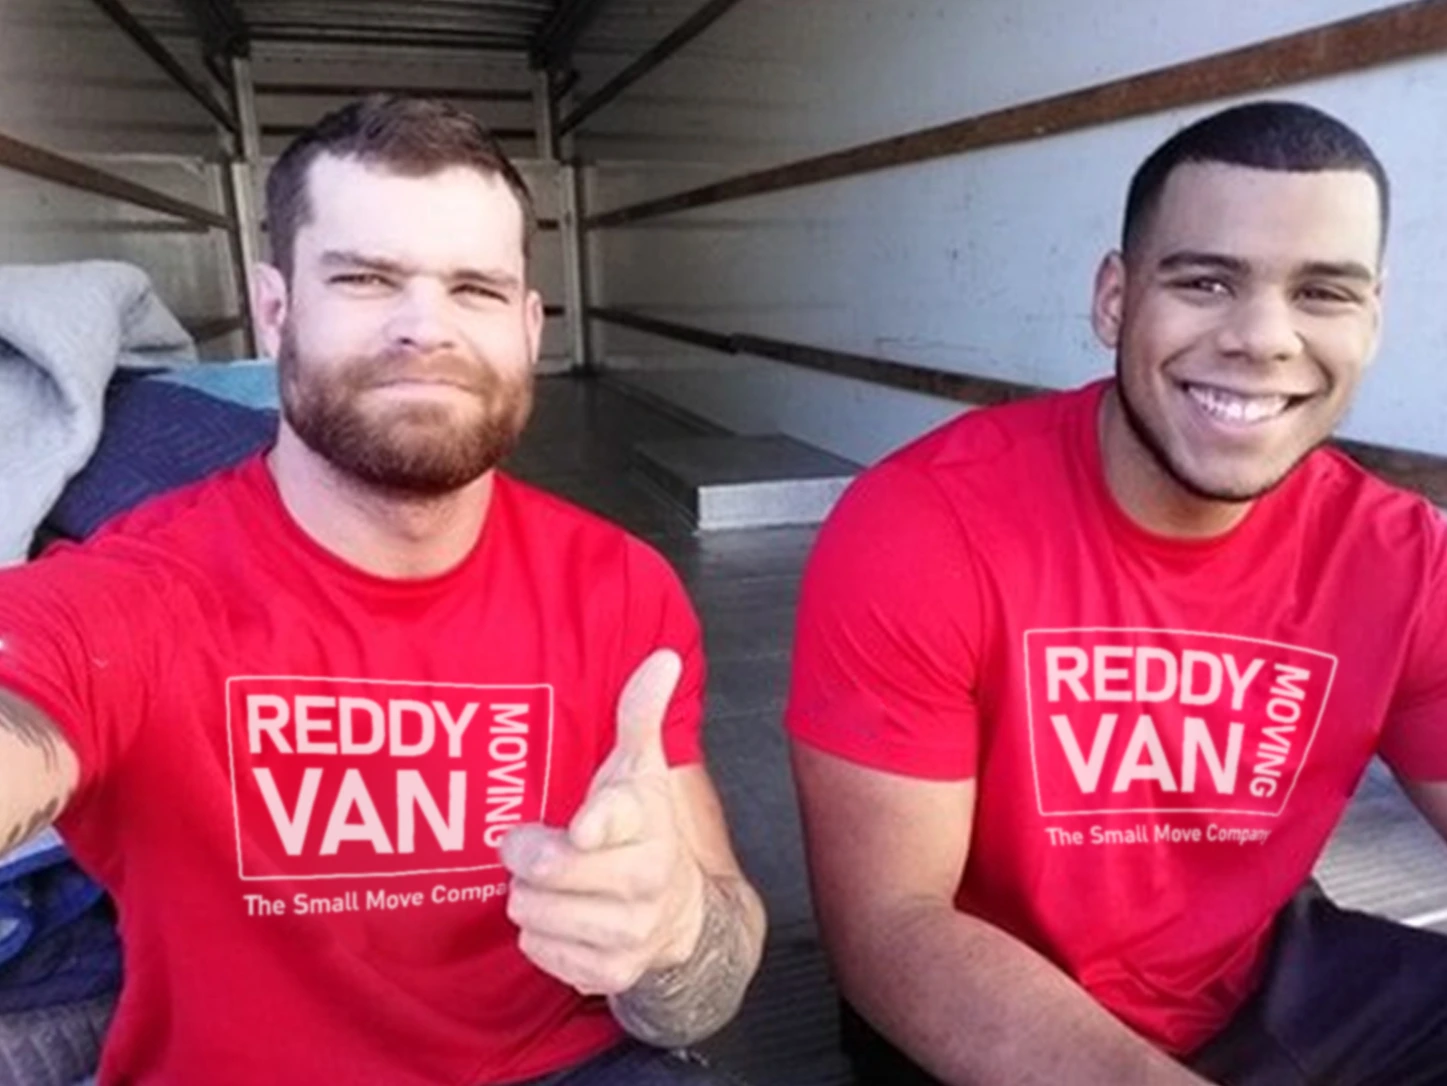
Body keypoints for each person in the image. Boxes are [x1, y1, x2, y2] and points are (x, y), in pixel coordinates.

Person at [0, 95, 764, 1085]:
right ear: (276, 310)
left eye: (475, 290)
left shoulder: (617, 585)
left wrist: (669, 932)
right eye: (365, 278)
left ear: (529, 328)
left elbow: (712, 977)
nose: (425, 329)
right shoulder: (139, 589)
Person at [785, 100, 1447, 1086]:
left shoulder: (1403, 555)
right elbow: (890, 926)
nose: (1263, 338)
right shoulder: (919, 525)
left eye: (1321, 293)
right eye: (1205, 280)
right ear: (1113, 299)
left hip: (1260, 976)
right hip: (987, 1014)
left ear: (1372, 320)